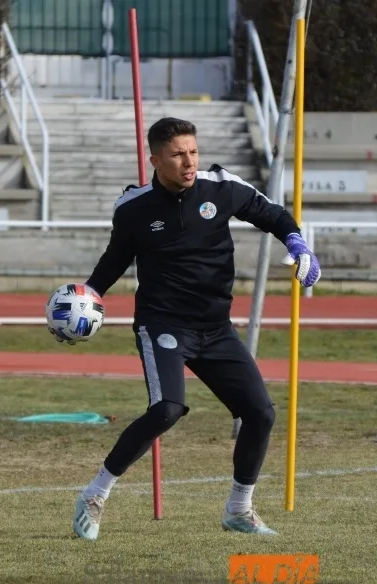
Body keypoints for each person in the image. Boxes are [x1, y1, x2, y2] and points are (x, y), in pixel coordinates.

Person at [50, 116, 321, 541]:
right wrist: (86, 300)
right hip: (163, 324)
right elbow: (115, 259)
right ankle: (94, 495)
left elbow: (271, 214)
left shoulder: (221, 187)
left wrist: (298, 243)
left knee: (260, 413)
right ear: (155, 160)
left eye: (193, 152)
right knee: (167, 409)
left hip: (215, 327)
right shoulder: (133, 207)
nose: (189, 161)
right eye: (178, 154)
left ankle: (239, 510)